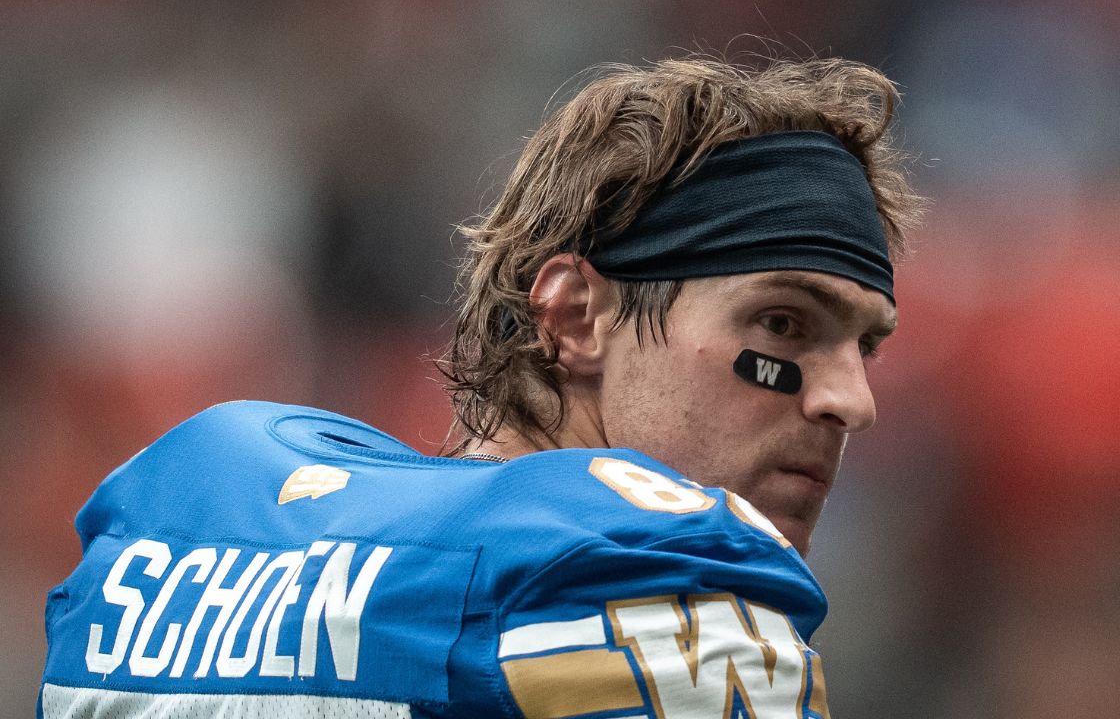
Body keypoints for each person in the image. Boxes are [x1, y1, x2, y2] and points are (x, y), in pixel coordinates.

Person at [40, 56, 924, 718]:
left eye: (866, 347)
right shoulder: (663, 580)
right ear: (575, 316)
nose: (852, 401)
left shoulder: (176, 524)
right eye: (782, 325)